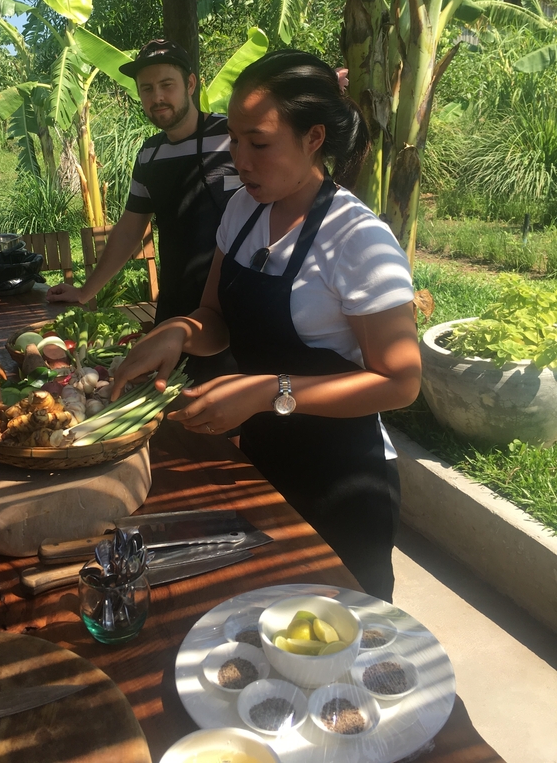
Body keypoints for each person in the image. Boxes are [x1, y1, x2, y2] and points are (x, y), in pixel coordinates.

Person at [112, 50, 421, 602]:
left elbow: (400, 383)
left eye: (258, 143)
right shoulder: (242, 212)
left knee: (338, 640)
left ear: (313, 138)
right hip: (259, 463)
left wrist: (266, 390)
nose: (240, 159)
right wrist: (179, 331)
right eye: (233, 139)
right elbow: (217, 318)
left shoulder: (358, 240)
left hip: (341, 478)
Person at [46, 39, 241, 380]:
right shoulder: (150, 154)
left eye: (167, 85)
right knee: (172, 404)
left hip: (237, 309)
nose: (157, 97)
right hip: (174, 307)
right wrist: (85, 291)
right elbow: (131, 228)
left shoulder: (232, 139)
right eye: (147, 89)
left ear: (190, 85)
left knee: (233, 417)